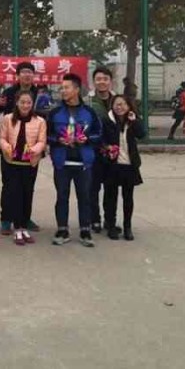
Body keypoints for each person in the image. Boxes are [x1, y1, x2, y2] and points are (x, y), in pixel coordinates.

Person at [47, 73, 102, 248]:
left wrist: (87, 139)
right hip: (62, 162)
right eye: (61, 88)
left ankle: (85, 230)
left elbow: (99, 134)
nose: (63, 91)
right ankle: (62, 230)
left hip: (84, 163)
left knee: (84, 197)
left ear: (77, 89)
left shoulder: (89, 112)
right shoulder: (55, 113)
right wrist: (58, 140)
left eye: (66, 87)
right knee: (62, 196)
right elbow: (47, 135)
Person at [0, 61, 45, 235]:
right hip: (10, 149)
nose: (27, 75)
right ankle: (6, 219)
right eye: (23, 72)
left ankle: (25, 218)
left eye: (30, 72)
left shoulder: (40, 94)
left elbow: (45, 117)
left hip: (31, 150)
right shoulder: (8, 93)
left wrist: (39, 147)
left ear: (34, 75)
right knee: (9, 186)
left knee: (28, 186)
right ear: (17, 75)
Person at [102, 95, 145, 241]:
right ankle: (111, 225)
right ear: (112, 106)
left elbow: (142, 135)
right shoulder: (107, 121)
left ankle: (128, 227)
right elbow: (101, 139)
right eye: (117, 104)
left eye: (123, 104)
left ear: (128, 106)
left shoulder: (132, 120)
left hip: (129, 164)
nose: (119, 107)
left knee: (128, 198)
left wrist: (135, 121)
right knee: (110, 197)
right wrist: (107, 147)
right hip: (112, 164)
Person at [86, 67, 116, 234]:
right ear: (94, 82)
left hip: (114, 151)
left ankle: (110, 222)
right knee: (93, 188)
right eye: (98, 79)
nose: (102, 82)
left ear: (110, 81)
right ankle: (94, 220)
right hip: (94, 151)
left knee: (111, 188)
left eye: (105, 79)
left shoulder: (118, 100)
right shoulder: (87, 102)